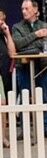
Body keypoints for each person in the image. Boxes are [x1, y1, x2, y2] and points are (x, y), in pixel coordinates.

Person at [12, 0, 47, 138]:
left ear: (35, 10)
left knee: (45, 96)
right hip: (23, 66)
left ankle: (46, 128)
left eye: (27, 8)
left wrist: (29, 46)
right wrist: (35, 35)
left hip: (42, 65)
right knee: (24, 97)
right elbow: (18, 44)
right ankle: (24, 129)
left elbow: (44, 44)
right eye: (22, 9)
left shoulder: (45, 25)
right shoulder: (17, 27)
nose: (24, 11)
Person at [0, 10, 17, 147]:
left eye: (3, 19)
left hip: (1, 74)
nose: (1, 22)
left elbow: (12, 53)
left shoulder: (3, 34)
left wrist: (7, 33)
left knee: (2, 104)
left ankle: (3, 137)